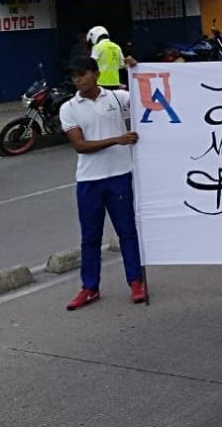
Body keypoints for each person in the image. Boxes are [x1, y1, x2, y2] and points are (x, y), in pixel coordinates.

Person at [59, 56, 145, 310]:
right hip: (89, 180)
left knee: (127, 232)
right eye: (74, 76)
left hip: (120, 175)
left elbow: (147, 95)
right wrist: (117, 140)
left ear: (95, 74)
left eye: (82, 74)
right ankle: (90, 287)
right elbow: (81, 146)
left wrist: (136, 68)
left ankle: (136, 281)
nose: (78, 80)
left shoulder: (118, 98)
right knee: (90, 237)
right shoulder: (69, 107)